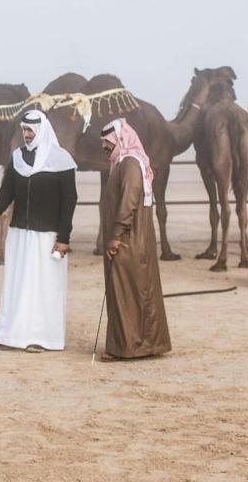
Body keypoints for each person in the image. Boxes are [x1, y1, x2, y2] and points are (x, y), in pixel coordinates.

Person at [0, 109, 78, 352]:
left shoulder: (61, 159)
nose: (27, 134)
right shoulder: (17, 157)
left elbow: (70, 200)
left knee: (43, 287)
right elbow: (7, 189)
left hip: (48, 236)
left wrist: (63, 239)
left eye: (31, 130)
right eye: (24, 130)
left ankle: (41, 338)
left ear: (41, 130)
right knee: (16, 285)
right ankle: (5, 335)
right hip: (20, 234)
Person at [98, 118, 171, 362]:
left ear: (119, 139)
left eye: (108, 143)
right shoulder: (124, 163)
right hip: (134, 238)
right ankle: (145, 344)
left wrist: (115, 235)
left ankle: (127, 347)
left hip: (128, 239)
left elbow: (129, 201)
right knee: (139, 291)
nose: (105, 147)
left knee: (125, 292)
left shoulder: (129, 164)